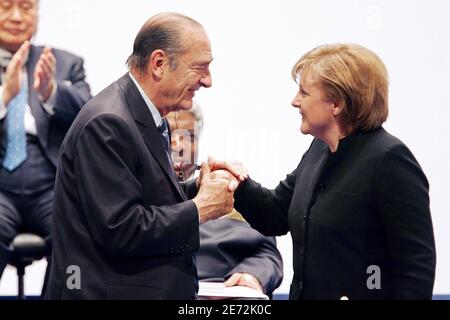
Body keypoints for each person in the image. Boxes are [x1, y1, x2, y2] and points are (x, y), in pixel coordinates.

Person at [46, 12, 244, 300]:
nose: (208, 81)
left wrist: (197, 188)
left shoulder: (144, 113)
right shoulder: (108, 123)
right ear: (159, 63)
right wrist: (200, 208)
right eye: (200, 68)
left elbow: (144, 196)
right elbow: (122, 229)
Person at [218, 44, 436, 299]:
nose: (294, 101)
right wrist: (236, 181)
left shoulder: (389, 159)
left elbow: (415, 265)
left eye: (304, 92)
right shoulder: (318, 150)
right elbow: (275, 213)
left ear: (336, 104)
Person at [0, 0, 91, 282]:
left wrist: (51, 91)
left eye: (26, 7)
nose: (17, 16)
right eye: (6, 7)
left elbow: (91, 116)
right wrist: (5, 95)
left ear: (37, 14)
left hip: (51, 187)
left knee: (78, 235)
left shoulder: (65, 63)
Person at [167, 105, 283, 296]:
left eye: (190, 136)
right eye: (171, 134)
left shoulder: (224, 188)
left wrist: (252, 275)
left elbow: (265, 253)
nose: (181, 146)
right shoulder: (133, 196)